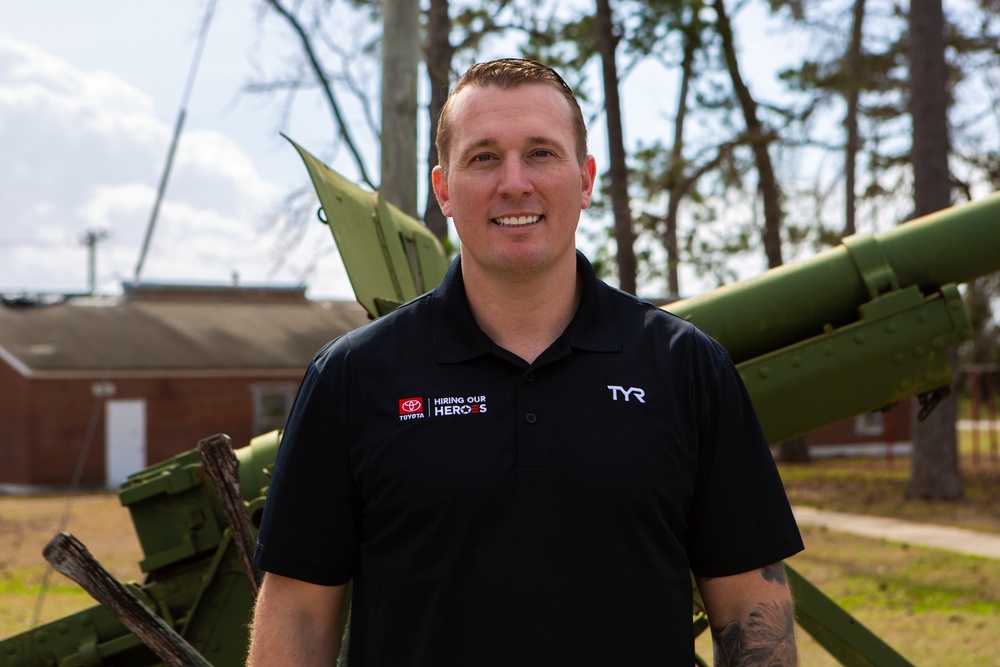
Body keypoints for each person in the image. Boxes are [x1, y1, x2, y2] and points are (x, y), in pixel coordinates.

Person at [247, 58, 803, 666]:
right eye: (484, 157)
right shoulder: (354, 377)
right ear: (444, 190)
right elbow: (298, 613)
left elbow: (752, 607)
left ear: (585, 180)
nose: (515, 183)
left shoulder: (687, 368)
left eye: (542, 153)